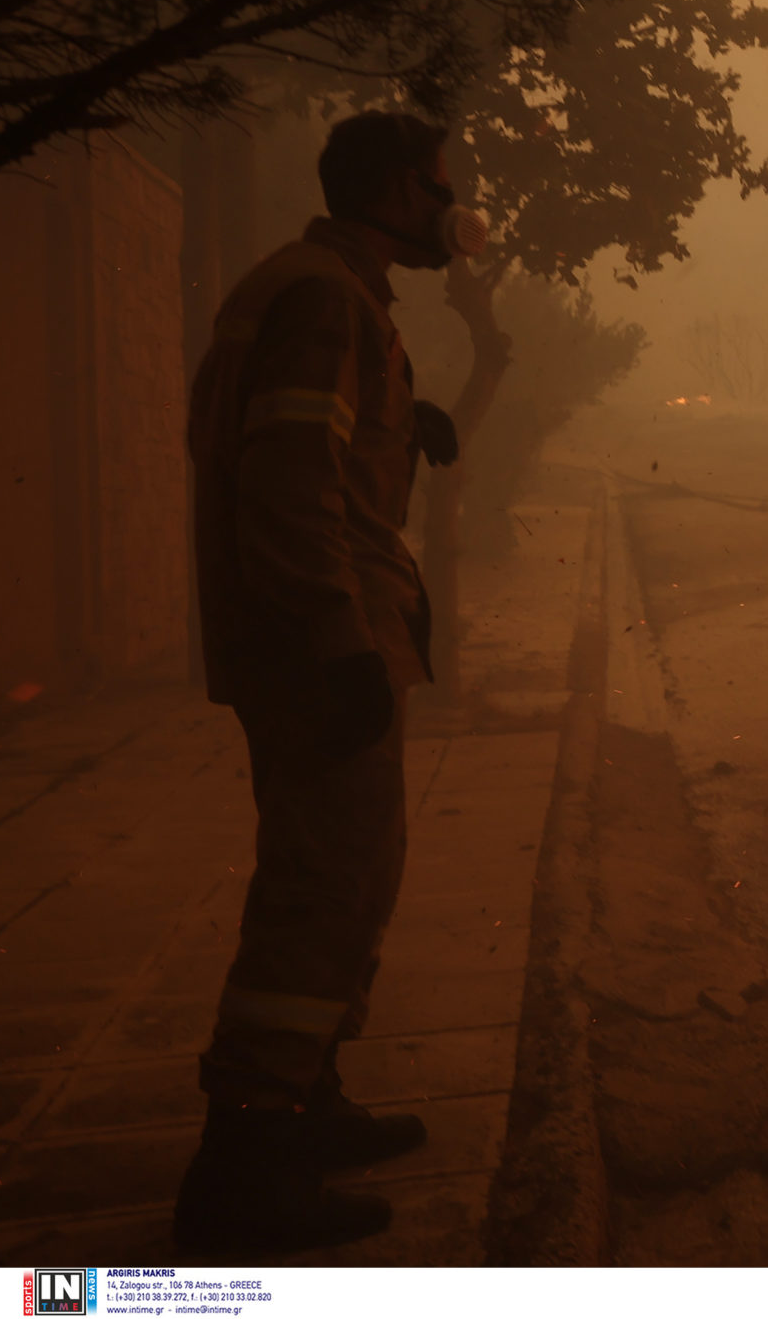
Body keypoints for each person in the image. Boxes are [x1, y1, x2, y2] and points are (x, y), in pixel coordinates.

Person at [174, 111, 484, 1255]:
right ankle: (244, 1169)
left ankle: (310, 1107)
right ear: (400, 191)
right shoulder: (324, 297)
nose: (454, 206)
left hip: (324, 634)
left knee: (353, 876)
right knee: (320, 891)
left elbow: (323, 445)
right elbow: (289, 480)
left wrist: (411, 424)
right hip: (323, 644)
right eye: (440, 184)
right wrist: (337, 638)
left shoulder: (318, 287)